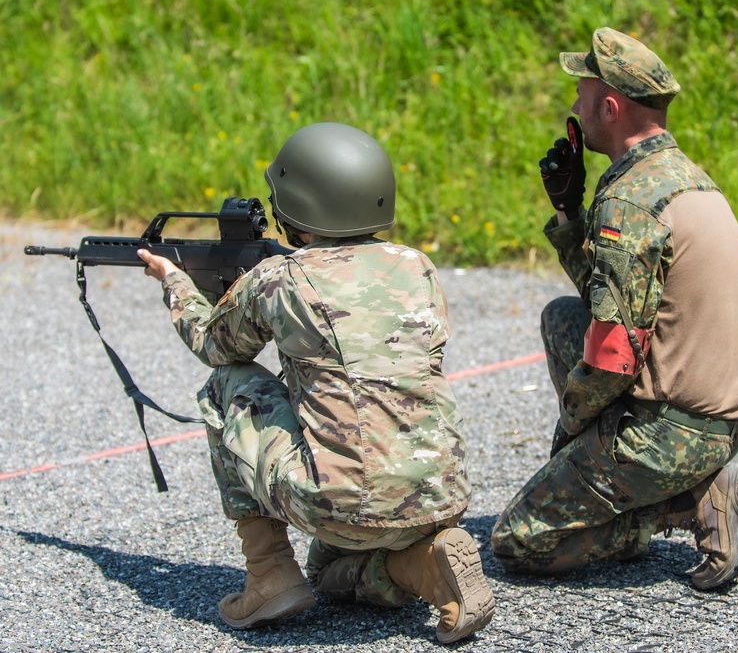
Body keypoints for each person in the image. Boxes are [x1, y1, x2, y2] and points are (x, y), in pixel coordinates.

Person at [137, 122, 494, 643]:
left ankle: (269, 575)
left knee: (227, 384)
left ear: (296, 206)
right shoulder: (417, 266)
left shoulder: (278, 280)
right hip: (437, 496)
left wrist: (176, 283)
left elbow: (214, 345)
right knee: (329, 572)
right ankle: (425, 563)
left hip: (343, 503)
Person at [490, 28, 738, 590]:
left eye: (581, 95)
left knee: (518, 542)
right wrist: (569, 211)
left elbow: (615, 352)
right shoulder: (683, 177)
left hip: (675, 431)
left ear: (610, 107)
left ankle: (687, 503)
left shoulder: (630, 200)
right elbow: (608, 300)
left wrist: (570, 426)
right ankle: (679, 484)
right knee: (560, 318)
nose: (573, 106)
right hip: (725, 417)